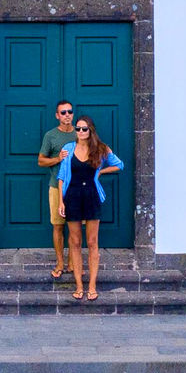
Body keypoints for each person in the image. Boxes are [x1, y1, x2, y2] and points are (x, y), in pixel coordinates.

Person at [55, 116, 122, 301]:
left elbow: (119, 165)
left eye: (84, 129)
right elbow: (61, 177)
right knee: (75, 242)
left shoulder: (100, 149)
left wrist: (100, 171)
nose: (81, 132)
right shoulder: (68, 149)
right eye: (78, 129)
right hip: (72, 197)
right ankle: (78, 285)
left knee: (92, 242)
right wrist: (61, 202)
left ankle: (92, 285)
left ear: (91, 130)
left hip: (92, 196)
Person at [35, 101, 79, 278]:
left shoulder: (81, 133)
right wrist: (58, 158)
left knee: (75, 227)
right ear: (57, 115)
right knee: (58, 226)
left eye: (69, 111)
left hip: (77, 188)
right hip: (56, 187)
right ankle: (60, 262)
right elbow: (40, 161)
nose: (67, 115)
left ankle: (72, 263)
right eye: (63, 112)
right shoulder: (51, 136)